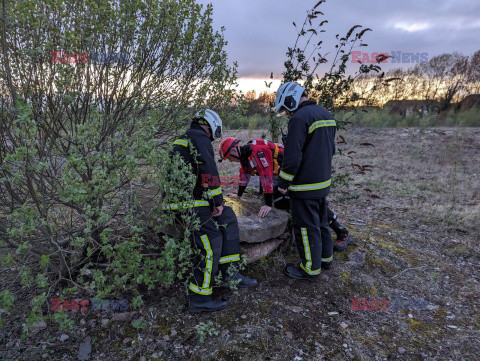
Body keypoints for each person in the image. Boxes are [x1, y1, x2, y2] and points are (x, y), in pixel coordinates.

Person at [166, 109, 257, 313]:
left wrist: (218, 205)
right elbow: (208, 170)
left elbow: (196, 174)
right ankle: (199, 297)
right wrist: (217, 200)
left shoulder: (187, 138)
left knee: (228, 216)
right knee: (211, 240)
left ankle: (230, 273)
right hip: (186, 203)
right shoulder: (199, 138)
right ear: (212, 126)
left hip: (190, 200)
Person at [218, 137, 352, 251]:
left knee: (308, 202)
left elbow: (266, 177)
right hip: (284, 177)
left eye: (229, 157)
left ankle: (342, 231)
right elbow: (244, 176)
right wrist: (239, 196)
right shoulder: (245, 156)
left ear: (234, 149)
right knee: (283, 201)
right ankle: (304, 228)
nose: (230, 161)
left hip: (297, 173)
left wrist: (268, 204)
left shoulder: (257, 152)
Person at [274, 81, 336, 280]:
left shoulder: (300, 118)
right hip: (322, 182)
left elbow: (293, 157)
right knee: (321, 222)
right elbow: (329, 150)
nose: (286, 113)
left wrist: (283, 183)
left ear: (290, 100)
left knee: (305, 227)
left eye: (285, 108)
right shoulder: (326, 114)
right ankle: (325, 258)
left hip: (304, 185)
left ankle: (310, 268)